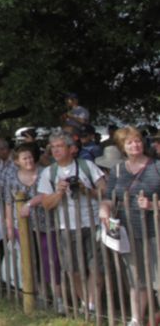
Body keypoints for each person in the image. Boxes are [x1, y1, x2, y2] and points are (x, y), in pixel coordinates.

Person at [38, 129, 105, 314]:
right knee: (73, 269)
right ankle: (86, 303)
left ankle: (92, 306)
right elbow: (46, 204)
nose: (56, 151)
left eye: (60, 146)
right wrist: (58, 192)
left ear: (71, 148)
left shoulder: (87, 166)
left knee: (96, 268)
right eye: (53, 147)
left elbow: (104, 191)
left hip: (92, 223)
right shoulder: (48, 173)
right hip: (66, 227)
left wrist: (86, 190)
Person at [99, 127, 160, 326]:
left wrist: (153, 206)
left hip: (155, 232)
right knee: (136, 278)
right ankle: (136, 319)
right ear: (122, 147)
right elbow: (109, 198)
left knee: (158, 279)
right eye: (130, 142)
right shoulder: (117, 170)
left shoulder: (157, 167)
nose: (135, 145)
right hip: (128, 232)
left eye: (138, 141)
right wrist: (104, 210)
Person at [4, 144, 62, 312]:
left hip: (46, 223)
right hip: (21, 225)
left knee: (51, 261)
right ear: (17, 161)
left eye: (30, 157)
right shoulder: (12, 178)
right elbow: (8, 202)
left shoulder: (45, 172)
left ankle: (57, 298)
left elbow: (48, 194)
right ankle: (40, 296)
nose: (28, 161)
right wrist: (8, 225)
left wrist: (31, 203)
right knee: (29, 261)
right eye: (24, 158)